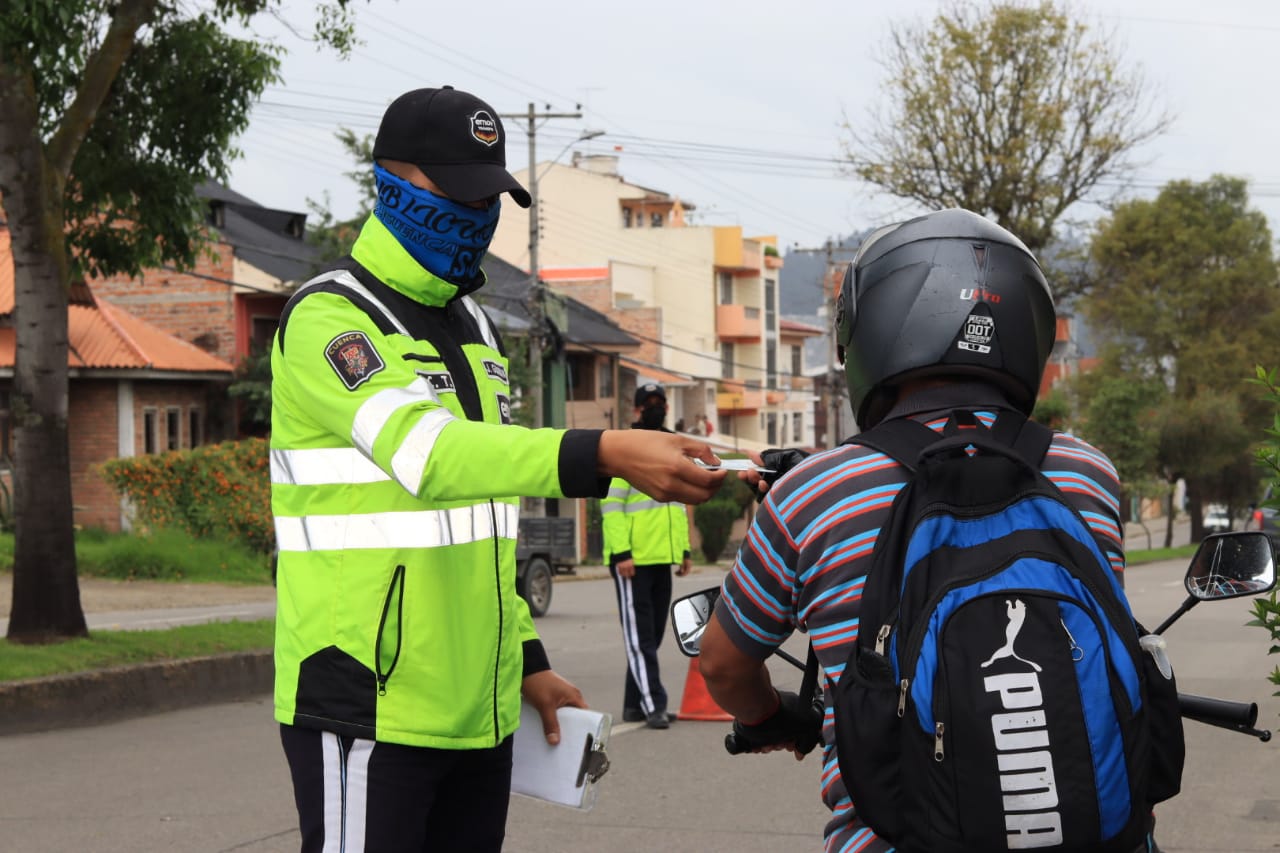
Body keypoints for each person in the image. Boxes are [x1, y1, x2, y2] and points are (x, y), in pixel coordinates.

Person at [269, 85, 726, 853]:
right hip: (364, 703)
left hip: (477, 709)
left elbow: (484, 529)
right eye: (457, 191)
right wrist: (601, 451)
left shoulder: (475, 326)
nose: (476, 214)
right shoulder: (330, 319)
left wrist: (528, 660)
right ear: (391, 181)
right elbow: (431, 455)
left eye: (489, 196)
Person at [697, 209, 1133, 852]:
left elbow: (723, 664)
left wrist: (774, 718)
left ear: (870, 335)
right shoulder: (1088, 474)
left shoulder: (812, 493)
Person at [602, 382, 694, 729]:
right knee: (640, 637)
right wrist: (622, 552)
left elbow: (678, 501)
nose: (657, 408)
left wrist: (683, 549)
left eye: (661, 403)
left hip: (661, 557)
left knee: (652, 636)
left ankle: (633, 705)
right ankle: (654, 702)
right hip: (632, 560)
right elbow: (611, 506)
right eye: (650, 403)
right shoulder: (629, 447)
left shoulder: (671, 447)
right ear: (637, 410)